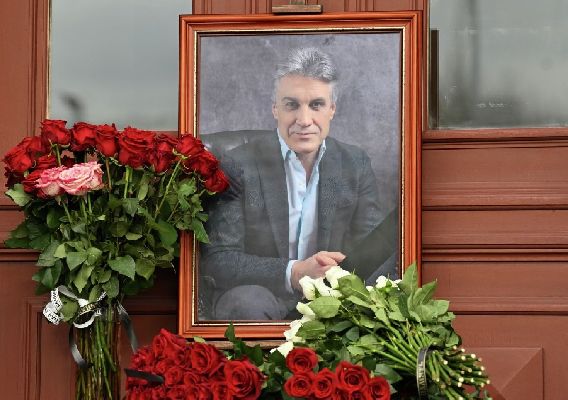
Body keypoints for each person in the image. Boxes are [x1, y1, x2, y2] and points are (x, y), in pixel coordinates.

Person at [201, 47, 383, 320]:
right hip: (261, 293)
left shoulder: (355, 164)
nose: (304, 120)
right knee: (246, 303)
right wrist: (294, 272)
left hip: (331, 295)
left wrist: (335, 279)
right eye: (291, 105)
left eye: (316, 105)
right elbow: (220, 259)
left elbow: (374, 251)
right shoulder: (237, 164)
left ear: (332, 109)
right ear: (275, 108)